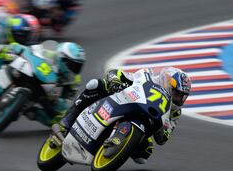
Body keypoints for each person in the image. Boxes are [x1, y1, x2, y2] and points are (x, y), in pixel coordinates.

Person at [52, 67, 192, 164]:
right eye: (177, 93)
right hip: (122, 102)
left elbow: (163, 139)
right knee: (95, 85)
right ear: (167, 84)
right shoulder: (148, 77)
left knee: (145, 153)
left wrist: (163, 129)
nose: (179, 98)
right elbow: (117, 73)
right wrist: (116, 81)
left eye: (182, 96)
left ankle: (118, 149)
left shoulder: (175, 112)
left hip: (144, 122)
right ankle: (66, 122)